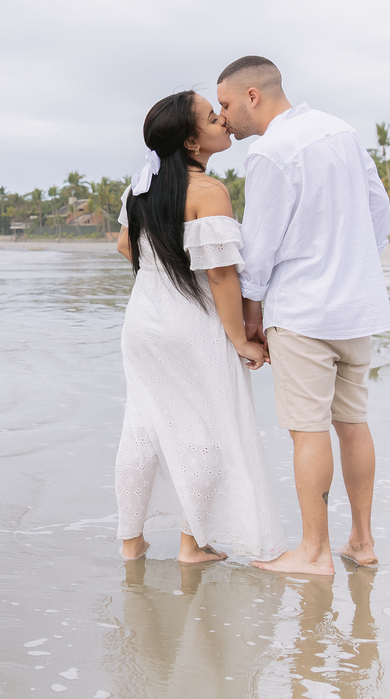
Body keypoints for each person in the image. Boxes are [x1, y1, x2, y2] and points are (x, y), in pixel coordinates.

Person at [216, 56, 390, 576]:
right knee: (353, 423)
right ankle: (361, 541)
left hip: (303, 312)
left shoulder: (271, 151)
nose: (223, 117)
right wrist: (350, 264)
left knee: (307, 431)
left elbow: (260, 248)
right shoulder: (342, 131)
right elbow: (379, 213)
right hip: (356, 307)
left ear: (253, 95)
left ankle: (313, 552)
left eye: (226, 104)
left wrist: (251, 321)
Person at [114, 90, 286, 564]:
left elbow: (126, 248)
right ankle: (193, 544)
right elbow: (221, 273)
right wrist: (240, 338)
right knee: (204, 429)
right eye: (214, 117)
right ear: (192, 141)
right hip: (191, 322)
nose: (224, 122)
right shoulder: (209, 192)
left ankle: (131, 543)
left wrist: (164, 271)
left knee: (141, 427)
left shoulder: (140, 187)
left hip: (143, 322)